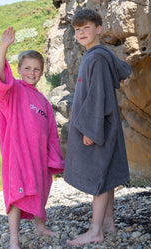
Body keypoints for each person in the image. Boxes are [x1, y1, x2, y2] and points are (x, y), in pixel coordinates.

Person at [0, 27, 64, 249]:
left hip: (38, 156)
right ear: (20, 70)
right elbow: (1, 75)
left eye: (37, 69)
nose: (32, 73)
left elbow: (51, 134)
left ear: (42, 72)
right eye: (27, 68)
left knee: (40, 190)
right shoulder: (12, 91)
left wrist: (55, 159)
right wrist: (3, 47)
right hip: (17, 155)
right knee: (16, 195)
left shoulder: (43, 101)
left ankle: (40, 227)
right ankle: (14, 240)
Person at [64, 9, 131, 245]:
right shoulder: (95, 55)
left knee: (97, 175)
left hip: (99, 126)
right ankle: (108, 222)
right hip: (106, 125)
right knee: (107, 172)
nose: (81, 33)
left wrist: (91, 131)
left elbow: (97, 97)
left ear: (98, 29)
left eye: (86, 28)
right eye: (77, 29)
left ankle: (95, 230)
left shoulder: (96, 58)